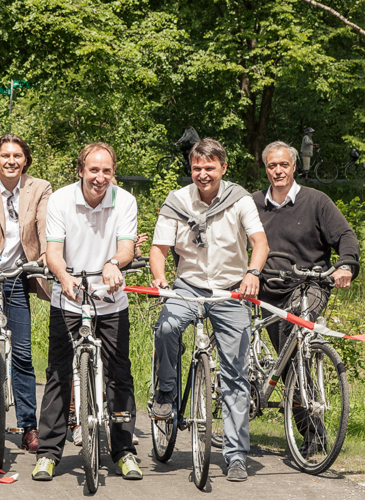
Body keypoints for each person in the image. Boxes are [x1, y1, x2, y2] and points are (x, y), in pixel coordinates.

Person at [149, 138, 269, 483]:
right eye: (197, 168)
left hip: (230, 290)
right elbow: (159, 248)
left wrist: (252, 273)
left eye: (210, 167)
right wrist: (161, 280)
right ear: (191, 169)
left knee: (235, 373)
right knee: (168, 327)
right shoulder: (177, 201)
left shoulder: (239, 199)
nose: (203, 174)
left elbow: (260, 243)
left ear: (223, 168)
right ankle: (166, 392)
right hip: (187, 285)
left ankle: (235, 455)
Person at [30, 142, 141, 482]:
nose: (100, 177)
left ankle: (123, 451)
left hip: (109, 298)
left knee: (119, 375)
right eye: (93, 170)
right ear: (80, 171)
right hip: (69, 295)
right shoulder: (61, 200)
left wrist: (113, 263)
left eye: (107, 170)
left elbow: (125, 248)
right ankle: (49, 453)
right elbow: (53, 251)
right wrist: (62, 277)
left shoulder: (125, 200)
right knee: (58, 374)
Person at [252, 141, 358, 451]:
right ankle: (303, 426)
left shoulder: (316, 201)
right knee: (286, 362)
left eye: (283, 164)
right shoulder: (254, 204)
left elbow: (346, 237)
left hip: (309, 284)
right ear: (266, 169)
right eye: (272, 165)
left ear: (294, 167)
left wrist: (346, 266)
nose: (278, 170)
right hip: (268, 289)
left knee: (294, 337)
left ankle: (313, 436)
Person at [0, 134, 52, 454]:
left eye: (17, 155)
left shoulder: (39, 188)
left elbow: (44, 225)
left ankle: (28, 426)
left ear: (25, 160)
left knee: (23, 354)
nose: (11, 161)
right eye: (5, 155)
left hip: (15, 277)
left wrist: (46, 257)